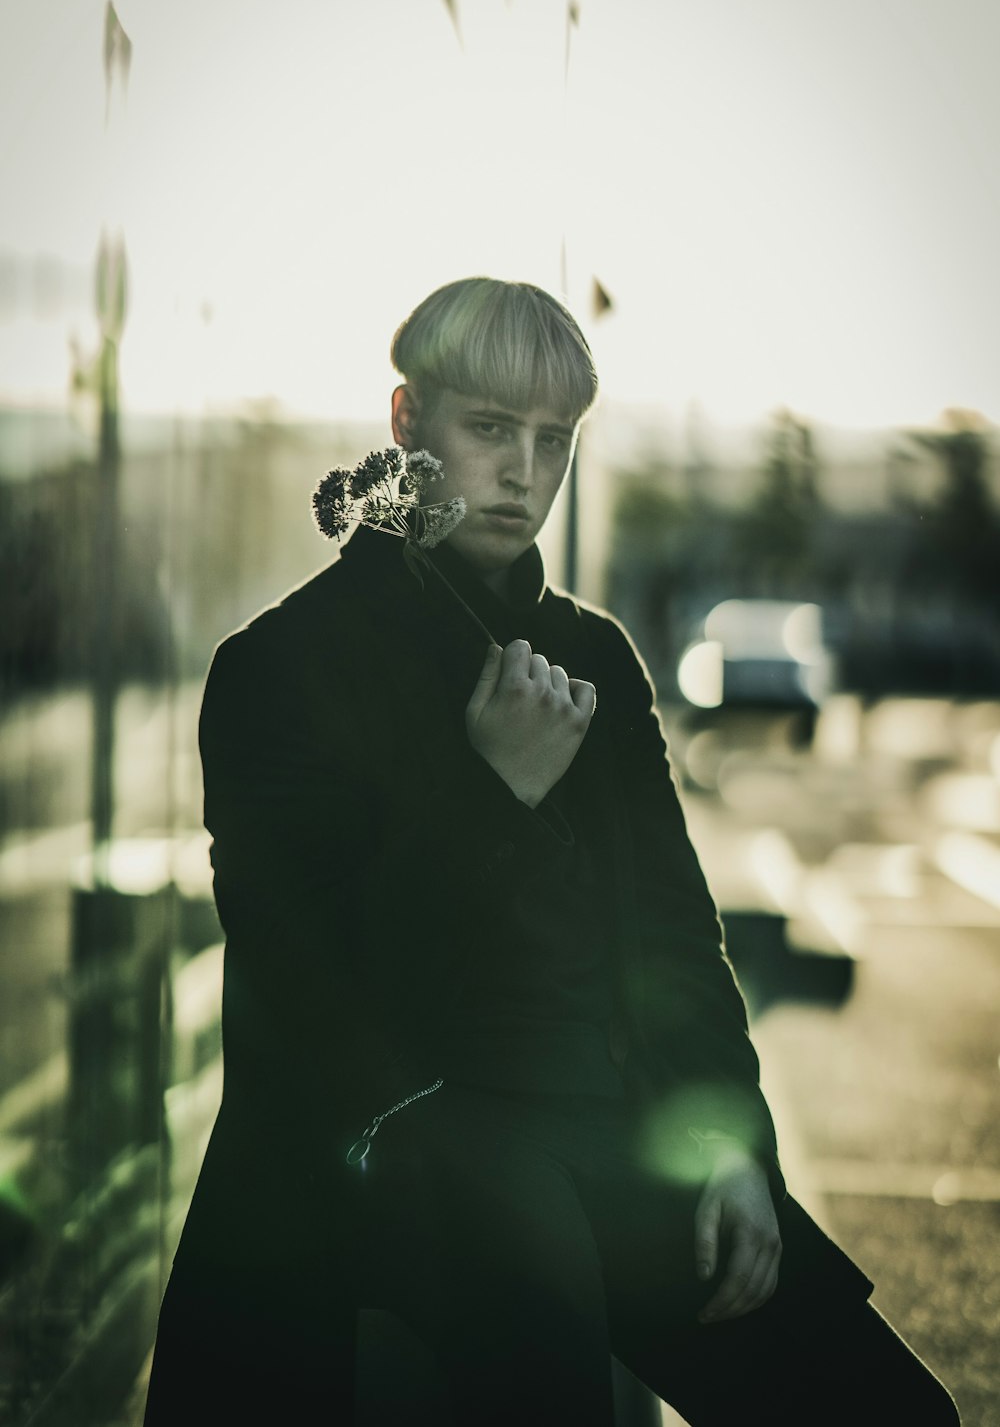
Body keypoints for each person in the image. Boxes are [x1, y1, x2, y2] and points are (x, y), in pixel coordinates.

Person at [143, 278, 959, 1425]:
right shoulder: (279, 666)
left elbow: (676, 935)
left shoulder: (596, 657)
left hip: (601, 1123)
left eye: (553, 440)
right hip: (397, 1141)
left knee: (885, 1408)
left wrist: (726, 1139)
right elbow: (310, 988)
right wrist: (492, 793)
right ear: (405, 420)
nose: (524, 471)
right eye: (488, 429)